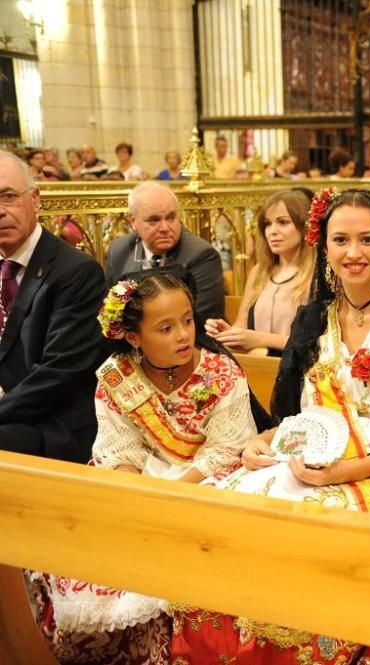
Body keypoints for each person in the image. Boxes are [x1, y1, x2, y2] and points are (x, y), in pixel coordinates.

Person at [171, 189, 370, 663]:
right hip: (303, 461)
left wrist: (350, 471)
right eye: (341, 239)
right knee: (228, 523)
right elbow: (288, 414)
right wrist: (260, 443)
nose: (354, 253)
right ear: (323, 246)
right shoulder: (312, 318)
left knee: (311, 547)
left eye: (367, 239)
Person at [32, 270, 255, 665]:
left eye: (187, 320)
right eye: (166, 328)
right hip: (139, 484)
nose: (184, 335)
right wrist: (134, 498)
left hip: (206, 481)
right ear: (134, 337)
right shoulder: (117, 378)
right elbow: (119, 451)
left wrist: (171, 493)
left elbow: (226, 450)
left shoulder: (221, 373)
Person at [0, 151, 106, 462]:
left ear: (35, 199)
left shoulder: (76, 272)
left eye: (8, 196)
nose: (0, 211)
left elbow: (58, 376)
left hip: (54, 422)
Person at [206, 190, 315, 356]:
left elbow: (320, 341)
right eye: (268, 224)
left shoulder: (317, 274)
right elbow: (241, 325)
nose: (272, 231)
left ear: (304, 226)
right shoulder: (259, 272)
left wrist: (260, 340)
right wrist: (227, 334)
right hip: (258, 364)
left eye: (283, 222)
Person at [105, 181, 226, 322]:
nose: (164, 228)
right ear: (133, 222)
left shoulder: (201, 256)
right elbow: (111, 313)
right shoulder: (119, 251)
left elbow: (202, 321)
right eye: (154, 220)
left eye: (170, 218)